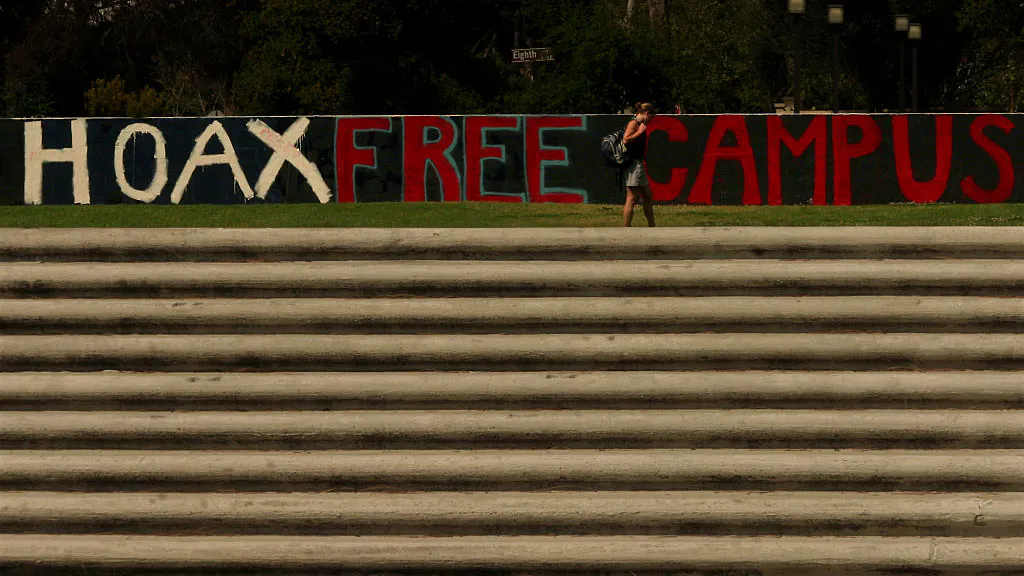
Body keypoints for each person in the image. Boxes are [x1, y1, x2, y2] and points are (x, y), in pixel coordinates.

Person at [621, 102, 656, 227]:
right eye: (651, 117)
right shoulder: (634, 124)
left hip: (638, 164)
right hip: (634, 165)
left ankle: (652, 225)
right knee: (631, 198)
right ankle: (626, 228)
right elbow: (625, 139)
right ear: (646, 113)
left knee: (647, 196)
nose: (651, 121)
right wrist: (639, 132)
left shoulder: (639, 124)